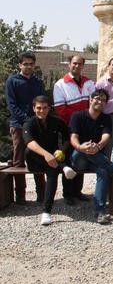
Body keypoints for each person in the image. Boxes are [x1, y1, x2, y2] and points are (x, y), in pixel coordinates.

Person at [69, 90, 113, 224]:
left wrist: (97, 147)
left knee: (103, 171)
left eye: (103, 100)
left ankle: (100, 212)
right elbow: (73, 138)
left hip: (95, 157)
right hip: (78, 158)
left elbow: (106, 137)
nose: (100, 102)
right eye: (97, 98)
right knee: (83, 150)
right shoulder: (77, 116)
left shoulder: (106, 118)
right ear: (90, 100)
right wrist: (82, 147)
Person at [23, 95, 76, 225]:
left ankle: (46, 212)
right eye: (39, 108)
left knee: (52, 172)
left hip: (52, 162)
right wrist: (46, 155)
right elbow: (29, 142)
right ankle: (63, 167)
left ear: (49, 108)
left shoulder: (56, 121)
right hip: (35, 161)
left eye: (45, 108)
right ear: (34, 108)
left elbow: (67, 137)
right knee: (30, 151)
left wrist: (62, 150)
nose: (42, 111)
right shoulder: (29, 123)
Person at [53, 54, 96, 205]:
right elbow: (60, 109)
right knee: (70, 159)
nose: (77, 66)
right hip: (69, 128)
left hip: (86, 128)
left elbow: (93, 103)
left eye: (80, 64)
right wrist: (78, 120)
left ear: (83, 66)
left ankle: (78, 191)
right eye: (74, 63)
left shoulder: (88, 83)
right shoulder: (60, 84)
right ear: (69, 64)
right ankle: (68, 193)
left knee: (81, 159)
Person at [5, 52, 46, 203]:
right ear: (20, 65)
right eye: (25, 64)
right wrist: (26, 119)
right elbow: (11, 104)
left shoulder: (37, 82)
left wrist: (37, 119)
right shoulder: (12, 81)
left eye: (31, 63)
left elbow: (42, 101)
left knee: (39, 157)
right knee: (18, 160)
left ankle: (42, 194)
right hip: (18, 125)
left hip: (37, 125)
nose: (28, 66)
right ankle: (20, 195)